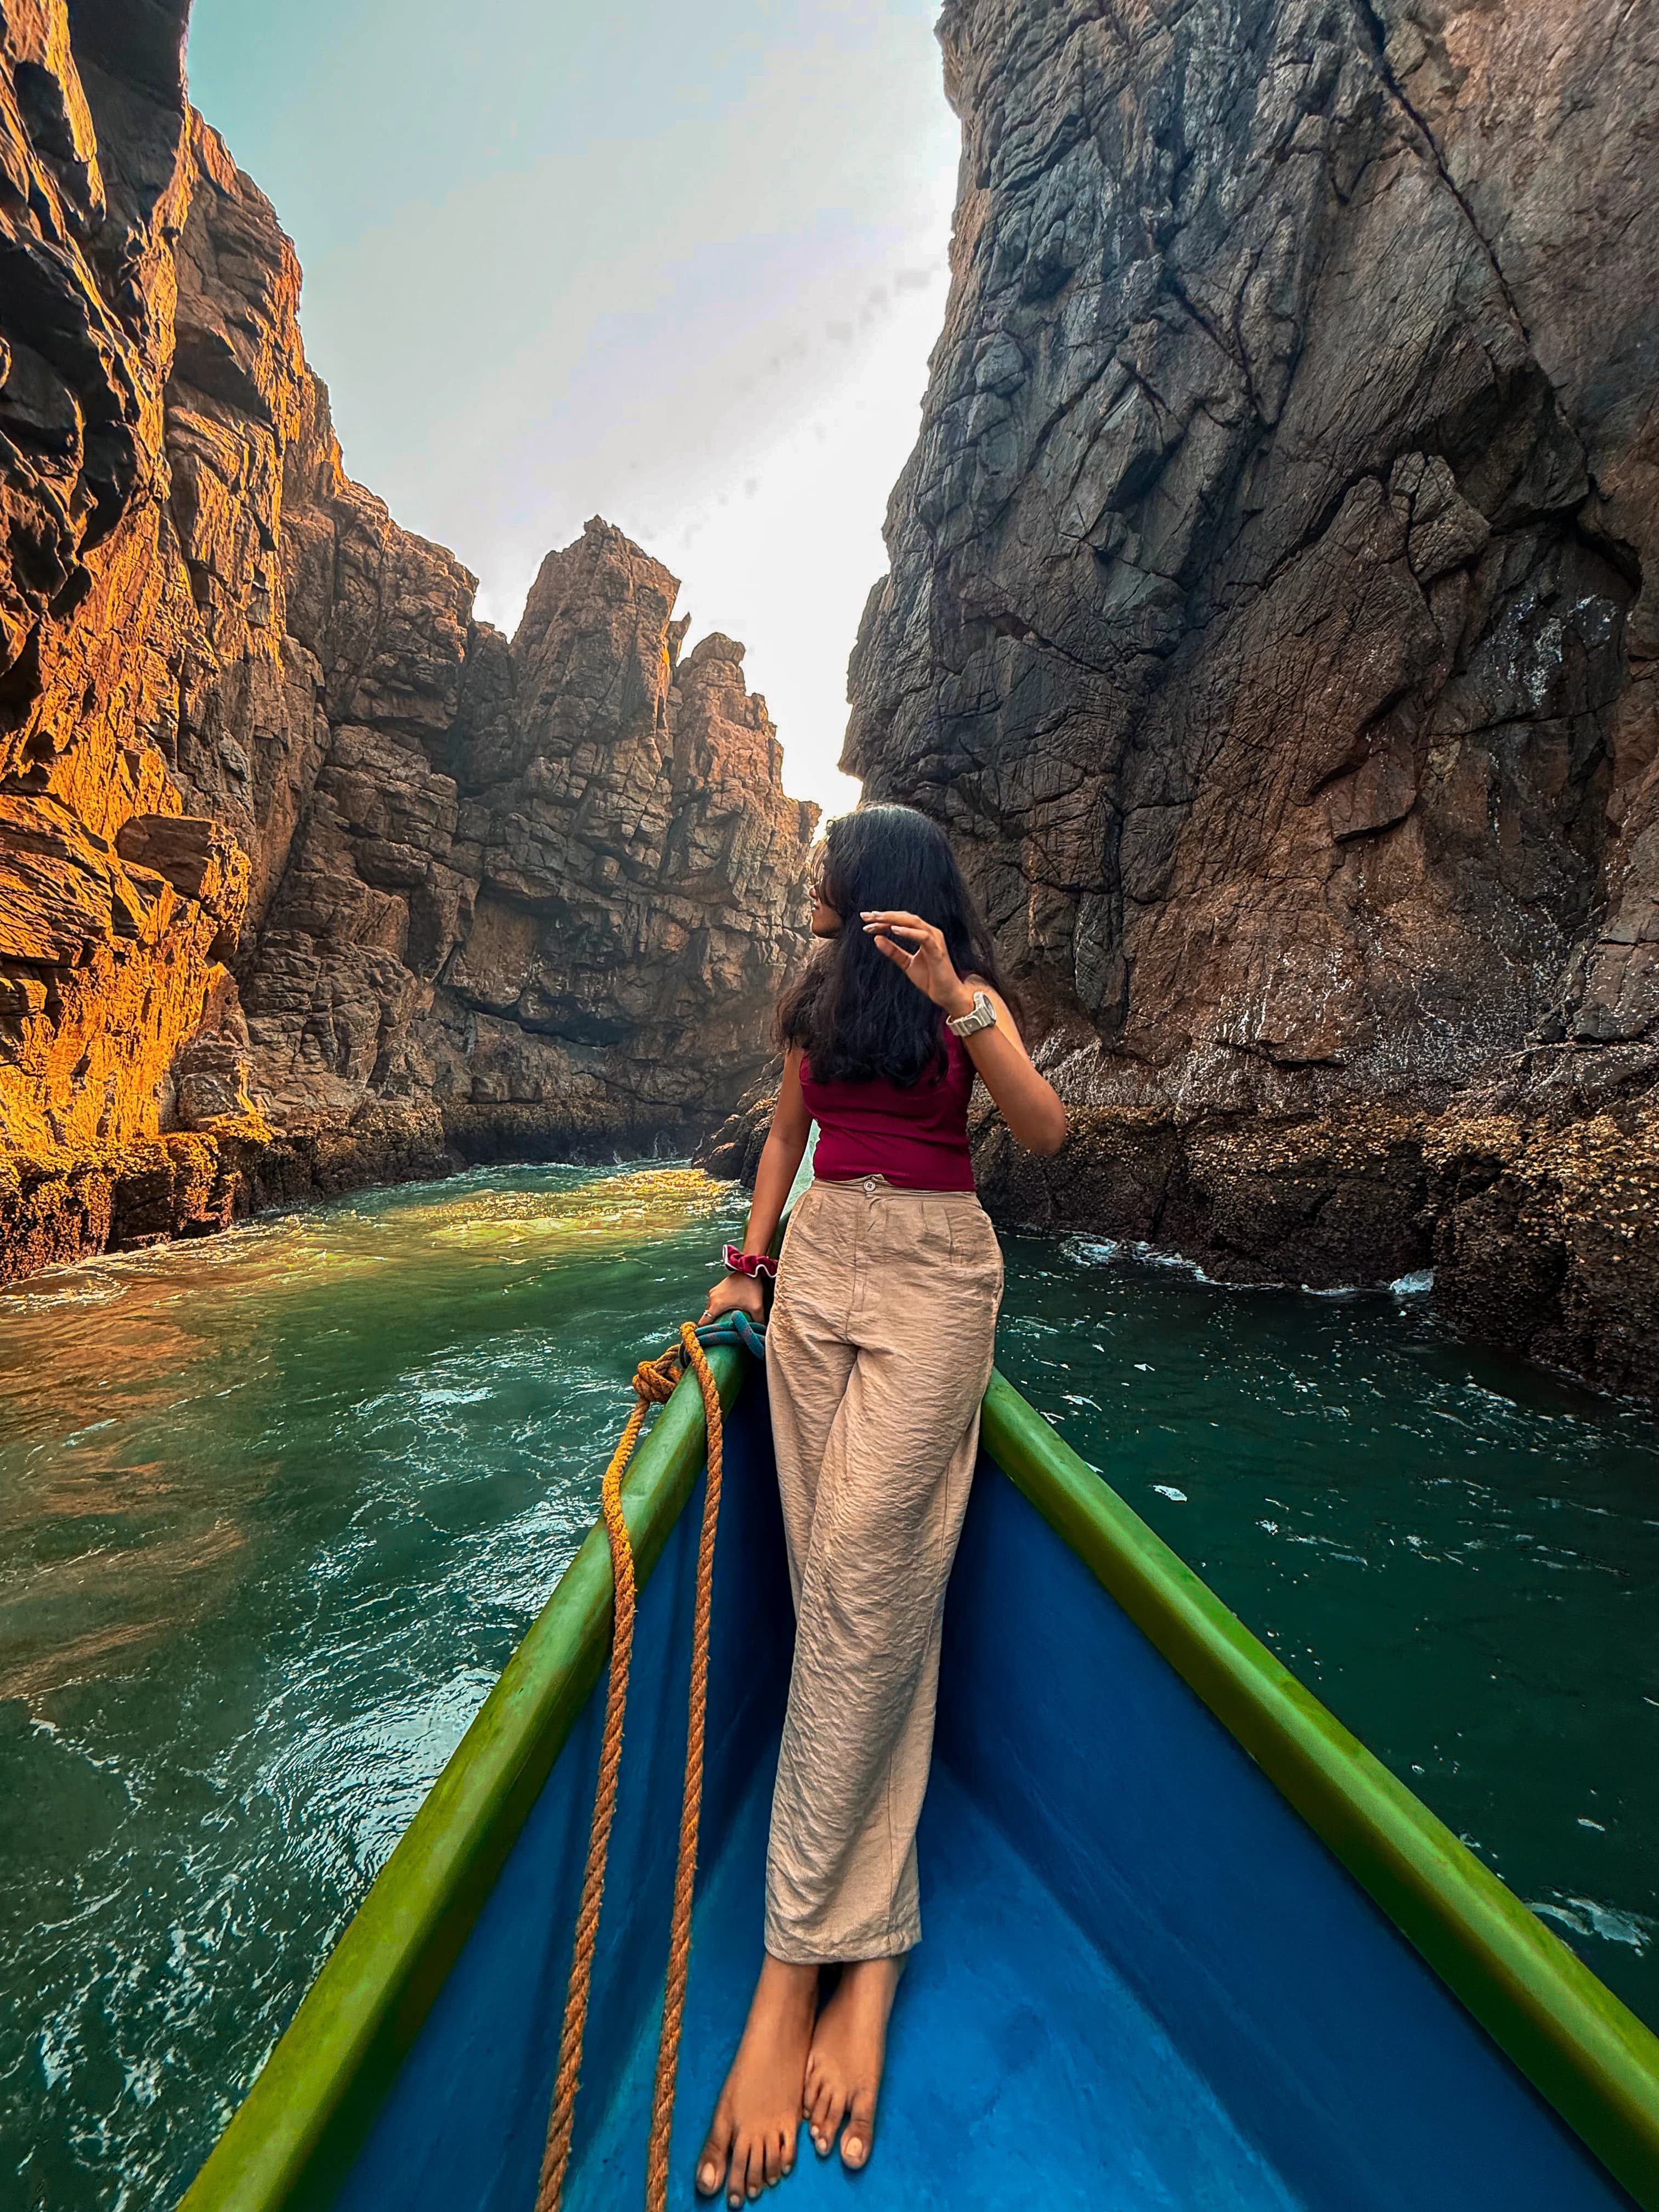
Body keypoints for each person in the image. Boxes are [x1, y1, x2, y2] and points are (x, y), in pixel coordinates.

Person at [694, 804, 1067, 2207]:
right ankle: (882, 1949)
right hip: (819, 1270)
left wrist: (956, 999)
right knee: (852, 1597)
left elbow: (1041, 1124)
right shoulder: (815, 999)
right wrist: (747, 1262)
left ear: (887, 891)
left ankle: (796, 1976)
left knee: (858, 1594)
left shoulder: (958, 996)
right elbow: (783, 1142)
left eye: (831, 874)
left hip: (931, 1276)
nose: (813, 886)